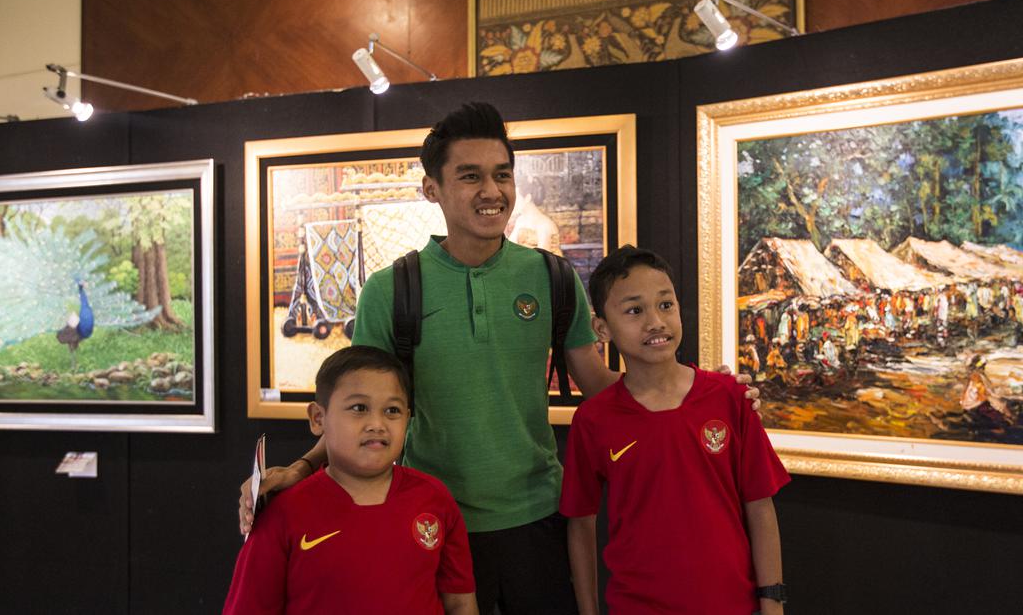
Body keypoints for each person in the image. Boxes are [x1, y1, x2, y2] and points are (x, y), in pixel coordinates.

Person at [238, 102, 758, 613]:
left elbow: (604, 387)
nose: (491, 191)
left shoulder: (552, 278)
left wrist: (703, 392)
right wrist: (302, 469)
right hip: (430, 521)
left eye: (502, 174)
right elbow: (360, 408)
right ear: (432, 189)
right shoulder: (391, 290)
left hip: (540, 517)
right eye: (470, 176)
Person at [561, 246, 790, 615]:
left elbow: (760, 506)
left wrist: (772, 601)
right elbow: (580, 523)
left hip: (731, 605)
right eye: (634, 310)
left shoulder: (729, 398)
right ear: (602, 328)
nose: (655, 321)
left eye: (665, 305)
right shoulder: (594, 420)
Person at [223, 346, 478, 615]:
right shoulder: (282, 513)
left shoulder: (434, 499)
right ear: (318, 418)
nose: (377, 424)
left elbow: (460, 604)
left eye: (392, 410)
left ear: (407, 418)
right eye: (359, 408)